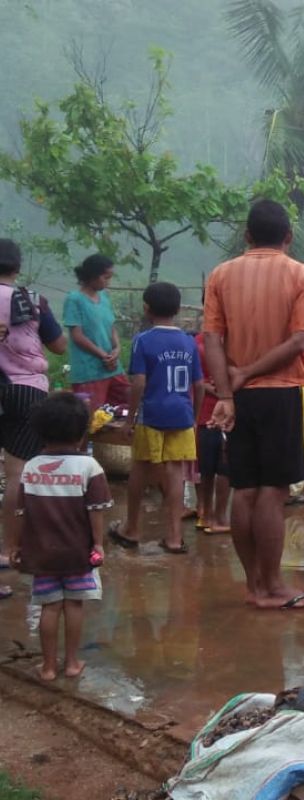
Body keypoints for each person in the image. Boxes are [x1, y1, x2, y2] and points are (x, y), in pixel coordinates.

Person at [203, 199, 304, 611]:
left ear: (248, 236)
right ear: (288, 237)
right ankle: (273, 587)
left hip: (239, 395)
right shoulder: (302, 275)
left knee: (244, 490)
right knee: (272, 492)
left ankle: (255, 583)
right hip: (282, 391)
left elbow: (213, 341)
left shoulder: (221, 275)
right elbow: (299, 342)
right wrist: (250, 373)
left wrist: (227, 390)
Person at [9, 392, 112, 681]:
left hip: (42, 554)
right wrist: (98, 545)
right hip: (77, 554)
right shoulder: (90, 468)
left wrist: (16, 546)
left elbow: (21, 513)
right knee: (74, 604)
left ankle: (48, 667)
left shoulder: (31, 468)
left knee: (49, 607)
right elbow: (96, 512)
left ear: (40, 432)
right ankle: (71, 663)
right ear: (82, 433)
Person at [108, 283, 203, 554]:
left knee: (141, 467)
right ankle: (174, 537)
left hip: (152, 414)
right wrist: (193, 417)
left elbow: (138, 381)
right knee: (176, 473)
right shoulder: (188, 341)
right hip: (182, 415)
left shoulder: (144, 340)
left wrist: (130, 419)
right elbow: (199, 385)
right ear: (177, 309)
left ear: (147, 308)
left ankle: (132, 528)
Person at [0, 239, 68, 574]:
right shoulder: (33, 301)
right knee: (16, 474)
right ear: (17, 266)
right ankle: (9, 549)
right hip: (26, 390)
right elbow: (58, 346)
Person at [63, 254, 129, 412]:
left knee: (127, 402)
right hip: (89, 369)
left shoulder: (104, 298)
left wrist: (117, 349)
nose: (108, 282)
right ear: (92, 276)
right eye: (106, 277)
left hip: (112, 367)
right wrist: (102, 355)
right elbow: (77, 335)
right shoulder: (74, 299)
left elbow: (111, 327)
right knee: (90, 418)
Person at [194, 333, 231, 534]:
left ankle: (215, 515)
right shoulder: (198, 342)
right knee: (208, 467)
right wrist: (223, 390)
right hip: (208, 412)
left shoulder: (232, 338)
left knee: (223, 467)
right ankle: (209, 513)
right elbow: (196, 379)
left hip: (225, 412)